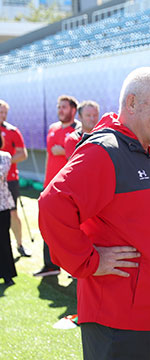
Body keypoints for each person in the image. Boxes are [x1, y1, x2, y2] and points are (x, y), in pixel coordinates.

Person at [38, 67, 150, 360]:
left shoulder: (148, 148)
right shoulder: (104, 150)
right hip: (121, 317)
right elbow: (52, 206)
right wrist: (88, 261)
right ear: (131, 103)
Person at [35, 95, 81, 277]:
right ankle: (51, 265)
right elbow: (49, 156)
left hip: (70, 188)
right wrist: (45, 182)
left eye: (64, 107)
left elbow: (82, 157)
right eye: (59, 107)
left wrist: (64, 150)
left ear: (73, 110)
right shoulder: (53, 128)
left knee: (73, 228)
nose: (60, 110)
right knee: (47, 226)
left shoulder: (79, 130)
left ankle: (76, 266)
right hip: (50, 187)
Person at [0, 100, 29, 257]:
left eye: (5, 112)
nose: (3, 115)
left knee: (12, 213)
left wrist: (4, 161)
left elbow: (22, 153)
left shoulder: (12, 131)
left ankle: (19, 244)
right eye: (0, 112)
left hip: (9, 179)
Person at [0, 135, 16, 286]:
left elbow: (1, 174)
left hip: (2, 206)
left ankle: (7, 274)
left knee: (4, 241)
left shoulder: (5, 156)